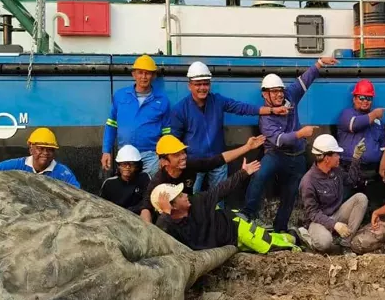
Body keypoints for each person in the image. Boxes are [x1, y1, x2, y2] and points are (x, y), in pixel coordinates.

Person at [240, 57, 338, 232]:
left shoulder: (290, 96)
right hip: (276, 154)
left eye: (280, 90)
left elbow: (305, 80)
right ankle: (247, 214)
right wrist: (300, 133)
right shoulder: (265, 118)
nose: (279, 94)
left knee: (291, 192)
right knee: (259, 175)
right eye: (274, 91)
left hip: (297, 155)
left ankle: (280, 228)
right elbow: (279, 140)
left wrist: (320, 63)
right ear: (265, 95)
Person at [170, 61, 287, 202]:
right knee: (189, 201)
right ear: (189, 85)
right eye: (198, 84)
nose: (202, 88)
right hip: (194, 164)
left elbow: (242, 108)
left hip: (219, 160)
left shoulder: (217, 101)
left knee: (219, 200)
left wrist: (272, 110)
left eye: (206, 83)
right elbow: (173, 140)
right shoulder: (180, 109)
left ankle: (218, 216)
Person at [151, 160, 299, 254]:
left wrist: (243, 173)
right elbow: (159, 239)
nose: (185, 195)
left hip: (236, 228)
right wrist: (166, 214)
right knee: (267, 239)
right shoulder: (170, 227)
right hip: (228, 242)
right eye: (180, 196)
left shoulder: (198, 201)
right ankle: (292, 236)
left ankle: (296, 246)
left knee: (268, 246)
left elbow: (221, 190)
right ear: (172, 207)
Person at [139, 134, 266, 224]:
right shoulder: (158, 183)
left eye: (183, 152)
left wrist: (247, 147)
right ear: (164, 162)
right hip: (171, 224)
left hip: (190, 211)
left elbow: (216, 160)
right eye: (176, 155)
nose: (183, 157)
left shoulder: (189, 165)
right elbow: (146, 208)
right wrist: (150, 232)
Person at [296, 134, 368, 253]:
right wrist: (334, 225)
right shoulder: (308, 181)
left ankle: (345, 243)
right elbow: (313, 213)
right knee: (324, 243)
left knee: (361, 198)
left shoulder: (336, 171)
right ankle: (307, 237)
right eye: (336, 154)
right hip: (317, 221)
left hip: (336, 213)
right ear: (327, 158)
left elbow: (351, 180)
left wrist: (356, 158)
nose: (339, 157)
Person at [102, 55, 171, 177]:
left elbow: (167, 132)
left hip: (150, 156)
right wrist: (106, 151)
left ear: (153, 76)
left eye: (147, 73)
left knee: (149, 187)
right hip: (125, 155)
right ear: (133, 74)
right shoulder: (120, 96)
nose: (143, 77)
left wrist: (164, 156)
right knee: (126, 187)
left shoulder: (162, 100)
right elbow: (111, 125)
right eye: (140, 72)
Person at [336, 79, 385, 205]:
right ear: (354, 99)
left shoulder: (378, 122)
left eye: (369, 98)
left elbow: (383, 147)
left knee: (373, 207)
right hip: (348, 169)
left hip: (371, 173)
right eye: (362, 97)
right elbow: (355, 124)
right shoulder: (347, 114)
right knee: (345, 206)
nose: (365, 101)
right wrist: (374, 114)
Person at [0, 127, 80, 188]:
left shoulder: (63, 173)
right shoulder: (15, 165)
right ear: (31, 149)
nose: (45, 153)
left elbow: (78, 195)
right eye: (40, 149)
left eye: (50, 150)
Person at [100, 145, 150, 214]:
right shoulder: (109, 183)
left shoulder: (144, 178)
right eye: (124, 164)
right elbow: (102, 206)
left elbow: (147, 202)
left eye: (131, 164)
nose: (127, 167)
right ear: (118, 165)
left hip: (138, 216)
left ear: (137, 166)